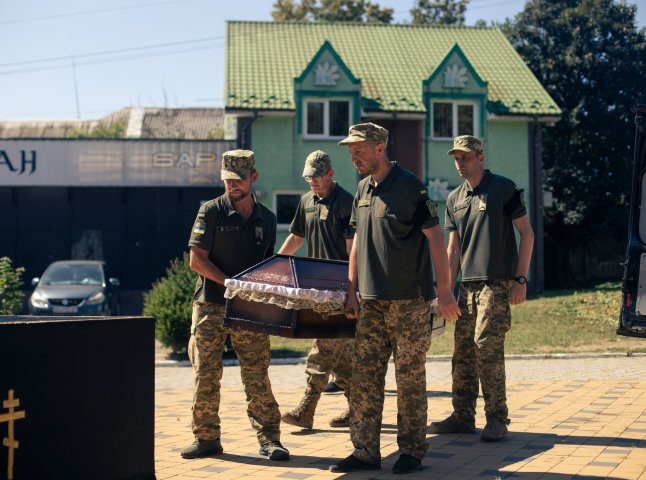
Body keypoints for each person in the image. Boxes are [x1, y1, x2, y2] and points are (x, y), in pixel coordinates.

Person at [330, 123, 461, 475]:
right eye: (350, 150)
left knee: (409, 379)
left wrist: (444, 289)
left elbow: (435, 239)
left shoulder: (410, 188)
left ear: (380, 147)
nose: (353, 155)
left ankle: (412, 451)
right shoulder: (361, 189)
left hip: (409, 302)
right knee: (365, 378)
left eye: (359, 148)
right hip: (370, 303)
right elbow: (356, 241)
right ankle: (365, 451)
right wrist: (351, 289)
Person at [180, 149, 289, 461]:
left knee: (257, 373)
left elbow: (267, 262)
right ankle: (206, 438)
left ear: (253, 178)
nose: (233, 185)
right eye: (228, 179)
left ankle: (270, 439)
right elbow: (196, 260)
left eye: (239, 179)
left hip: (249, 308)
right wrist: (228, 283)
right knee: (206, 372)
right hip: (211, 305)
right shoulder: (210, 212)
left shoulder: (267, 218)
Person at [429, 135, 534, 442]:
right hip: (466, 287)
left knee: (486, 346)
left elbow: (526, 233)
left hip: (498, 282)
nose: (459, 163)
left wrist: (520, 278)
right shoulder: (453, 199)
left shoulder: (503, 188)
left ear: (480, 157)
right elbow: (452, 249)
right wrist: (445, 289)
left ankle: (497, 418)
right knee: (462, 351)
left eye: (465, 157)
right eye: (456, 158)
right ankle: (462, 416)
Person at [278, 150, 355, 430]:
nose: (312, 181)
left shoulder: (346, 202)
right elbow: (296, 237)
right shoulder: (306, 201)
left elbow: (352, 251)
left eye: (317, 176)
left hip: (339, 288)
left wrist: (351, 289)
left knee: (322, 349)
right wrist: (276, 264)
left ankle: (306, 410)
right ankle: (359, 408)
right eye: (309, 177)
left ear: (331, 173)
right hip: (315, 289)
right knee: (342, 355)